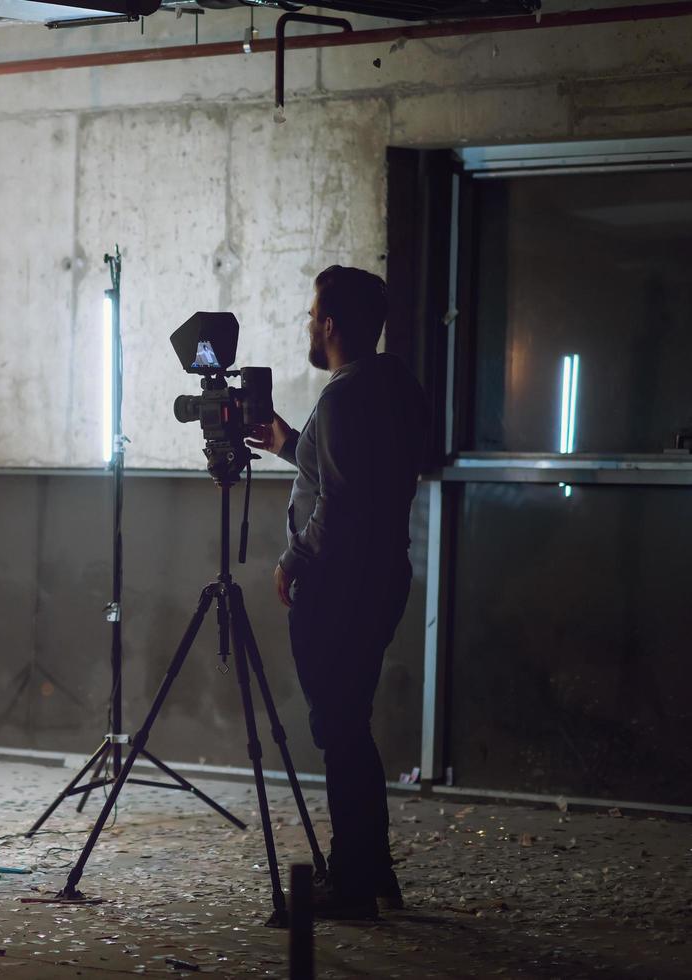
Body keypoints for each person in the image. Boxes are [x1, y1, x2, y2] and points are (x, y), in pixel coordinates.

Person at [245, 265, 427, 920]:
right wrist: (292, 444)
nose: (307, 325)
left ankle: (352, 886)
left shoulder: (345, 397)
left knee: (340, 728)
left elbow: (344, 500)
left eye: (311, 314)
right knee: (350, 724)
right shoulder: (393, 386)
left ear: (329, 326)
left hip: (340, 586)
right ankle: (370, 872)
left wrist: (293, 559)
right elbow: (362, 476)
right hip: (380, 578)